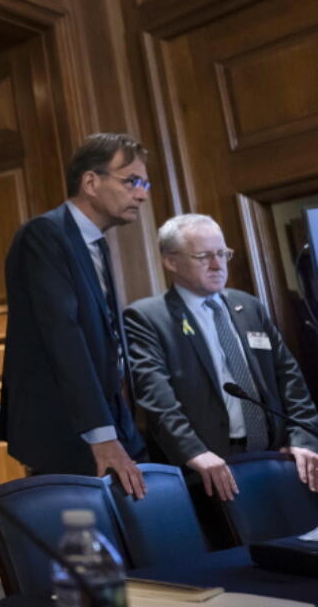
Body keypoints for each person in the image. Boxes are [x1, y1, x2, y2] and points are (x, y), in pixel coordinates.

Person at [125, 214, 318, 500]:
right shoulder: (147, 317)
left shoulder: (249, 306)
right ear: (171, 262)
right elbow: (157, 398)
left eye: (222, 254)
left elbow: (289, 378)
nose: (217, 265)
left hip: (278, 457)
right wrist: (194, 452)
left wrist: (305, 439)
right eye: (203, 256)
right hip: (209, 467)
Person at [0, 133, 149, 498]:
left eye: (145, 183)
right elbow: (63, 336)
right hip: (67, 433)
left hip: (112, 424)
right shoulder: (44, 235)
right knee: (84, 551)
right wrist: (101, 435)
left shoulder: (94, 241)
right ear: (91, 182)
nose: (142, 194)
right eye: (132, 181)